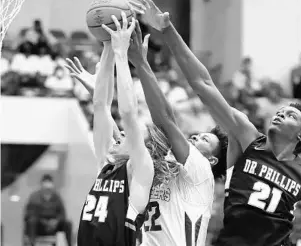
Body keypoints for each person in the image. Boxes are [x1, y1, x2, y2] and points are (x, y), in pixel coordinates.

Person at [129, 0, 301, 246]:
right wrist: (167, 30)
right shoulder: (246, 138)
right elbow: (202, 83)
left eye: (291, 115)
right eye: (280, 111)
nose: (281, 113)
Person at [125, 15, 241, 245]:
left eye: (205, 140)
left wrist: (141, 62)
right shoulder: (172, 168)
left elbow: (166, 120)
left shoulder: (200, 171)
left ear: (212, 160)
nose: (197, 136)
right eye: (199, 135)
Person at [71, 14, 159, 246]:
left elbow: (128, 115)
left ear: (143, 145)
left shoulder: (139, 172)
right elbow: (101, 106)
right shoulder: (106, 165)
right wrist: (108, 44)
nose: (119, 135)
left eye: (128, 136)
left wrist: (121, 55)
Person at [24, 174, 72, 246]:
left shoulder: (57, 197)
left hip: (54, 225)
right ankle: (31, 243)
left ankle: (69, 244)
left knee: (68, 223)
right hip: (39, 225)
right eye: (45, 182)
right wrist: (44, 222)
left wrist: (56, 221)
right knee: (32, 221)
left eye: (49, 182)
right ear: (42, 184)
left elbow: (62, 213)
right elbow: (30, 214)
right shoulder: (34, 197)